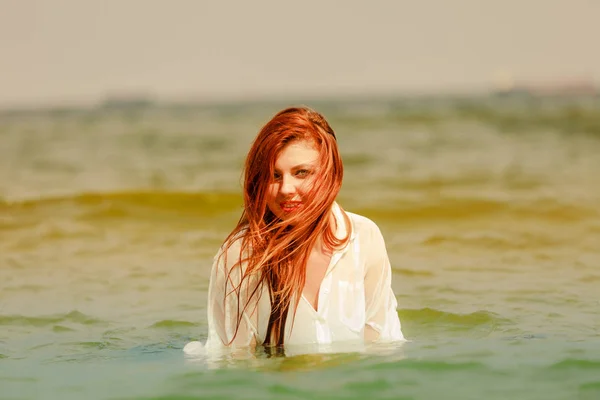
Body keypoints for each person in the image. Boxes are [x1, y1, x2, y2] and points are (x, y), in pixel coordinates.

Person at [204, 106, 404, 353]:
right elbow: (235, 361)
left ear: (329, 173)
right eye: (274, 175)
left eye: (301, 173)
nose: (286, 188)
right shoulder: (240, 255)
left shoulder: (364, 237)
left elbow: (383, 342)